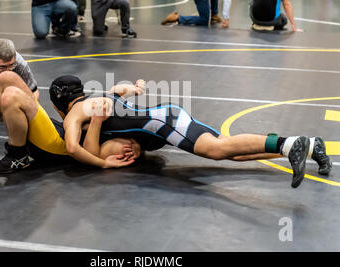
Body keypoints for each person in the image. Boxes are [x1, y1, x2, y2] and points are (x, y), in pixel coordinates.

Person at [39, 74, 332, 189]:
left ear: (58, 105)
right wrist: (137, 88)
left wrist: (103, 162)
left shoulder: (73, 116)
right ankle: (310, 146)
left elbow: (75, 150)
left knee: (217, 150)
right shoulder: (100, 94)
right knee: (226, 150)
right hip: (165, 116)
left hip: (164, 124)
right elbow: (122, 89)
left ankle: (288, 144)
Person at [0, 72, 142, 173]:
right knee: (7, 77)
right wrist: (133, 89)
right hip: (55, 132)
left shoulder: (77, 117)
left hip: (58, 144)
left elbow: (73, 148)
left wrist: (104, 165)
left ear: (57, 106)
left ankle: (18, 156)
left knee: (10, 95)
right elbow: (116, 91)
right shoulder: (96, 103)